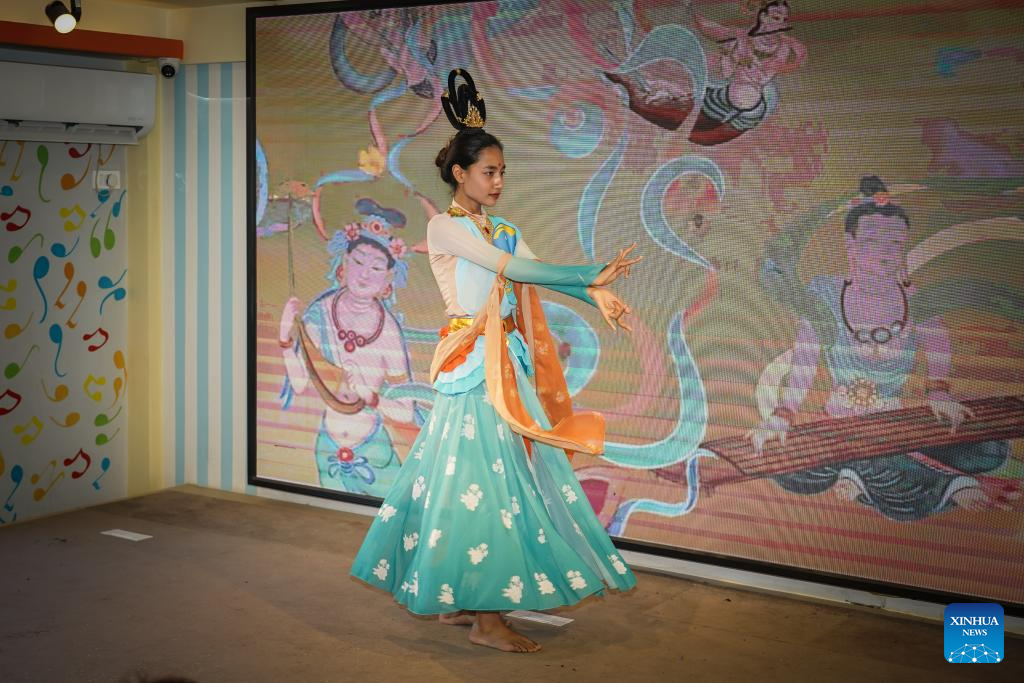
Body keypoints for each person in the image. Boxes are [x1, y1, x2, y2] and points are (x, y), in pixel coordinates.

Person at [350, 69, 640, 653]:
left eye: (502, 171)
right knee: (483, 484)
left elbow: (532, 270)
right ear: (460, 174)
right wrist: (589, 275)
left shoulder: (502, 228)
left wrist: (596, 295)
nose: (499, 181)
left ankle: (459, 599)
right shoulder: (446, 227)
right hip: (473, 367)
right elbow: (510, 269)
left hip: (501, 361)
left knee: (473, 482)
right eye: (489, 171)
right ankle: (485, 618)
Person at [749, 176, 1012, 521]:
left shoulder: (913, 299)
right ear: (851, 245)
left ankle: (861, 474)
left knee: (989, 449)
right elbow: (805, 358)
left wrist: (939, 391)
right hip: (841, 423)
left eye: (896, 243)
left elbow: (937, 339)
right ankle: (945, 484)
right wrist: (783, 414)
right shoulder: (826, 294)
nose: (886, 252)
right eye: (873, 241)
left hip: (893, 424)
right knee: (788, 462)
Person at [279, 198, 416, 498]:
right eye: (358, 261)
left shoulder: (389, 332)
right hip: (327, 448)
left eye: (376, 267)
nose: (365, 274)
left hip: (374, 451)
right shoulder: (320, 313)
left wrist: (372, 397)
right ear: (343, 264)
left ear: (388, 279)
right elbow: (300, 383)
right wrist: (286, 341)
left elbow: (406, 412)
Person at [689, 0, 806, 145]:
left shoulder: (784, 48)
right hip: (718, 100)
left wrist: (749, 62)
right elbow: (709, 30)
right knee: (692, 134)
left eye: (784, 20)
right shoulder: (739, 36)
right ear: (763, 17)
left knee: (706, 139)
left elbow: (764, 77)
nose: (781, 24)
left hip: (748, 110)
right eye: (776, 18)